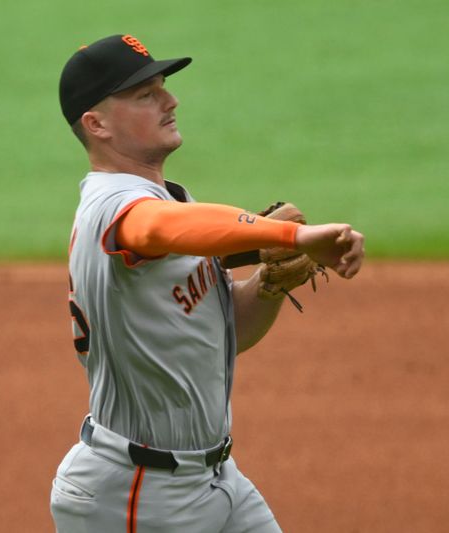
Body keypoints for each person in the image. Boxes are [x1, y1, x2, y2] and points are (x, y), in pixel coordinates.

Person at [51, 34, 364, 533]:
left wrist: (268, 284)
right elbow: (155, 228)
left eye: (162, 87)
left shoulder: (169, 200)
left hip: (216, 480)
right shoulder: (112, 206)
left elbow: (227, 332)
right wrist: (294, 234)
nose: (170, 101)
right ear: (97, 124)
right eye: (145, 95)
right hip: (137, 496)